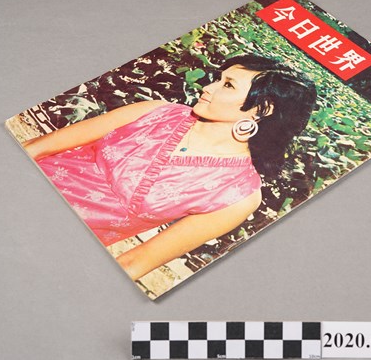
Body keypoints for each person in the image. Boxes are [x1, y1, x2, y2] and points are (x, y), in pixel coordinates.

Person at [23, 54, 317, 281]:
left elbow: (133, 263)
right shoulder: (155, 112)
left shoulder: (238, 195)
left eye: (227, 85)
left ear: (263, 109)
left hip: (52, 249)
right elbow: (38, 147)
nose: (208, 87)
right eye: (218, 79)